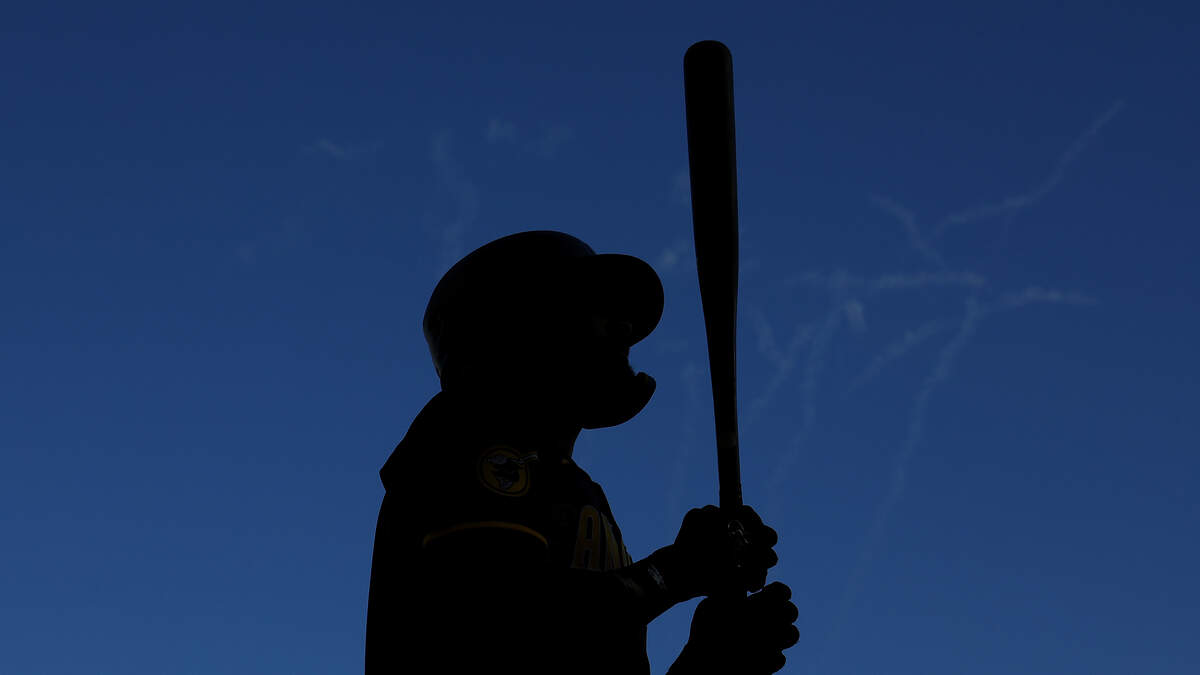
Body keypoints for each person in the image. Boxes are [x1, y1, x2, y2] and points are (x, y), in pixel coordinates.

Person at [365, 230, 799, 674]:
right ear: (517, 329)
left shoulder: (574, 489)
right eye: (593, 309)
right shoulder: (459, 433)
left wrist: (708, 660)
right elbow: (501, 622)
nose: (624, 328)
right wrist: (677, 570)